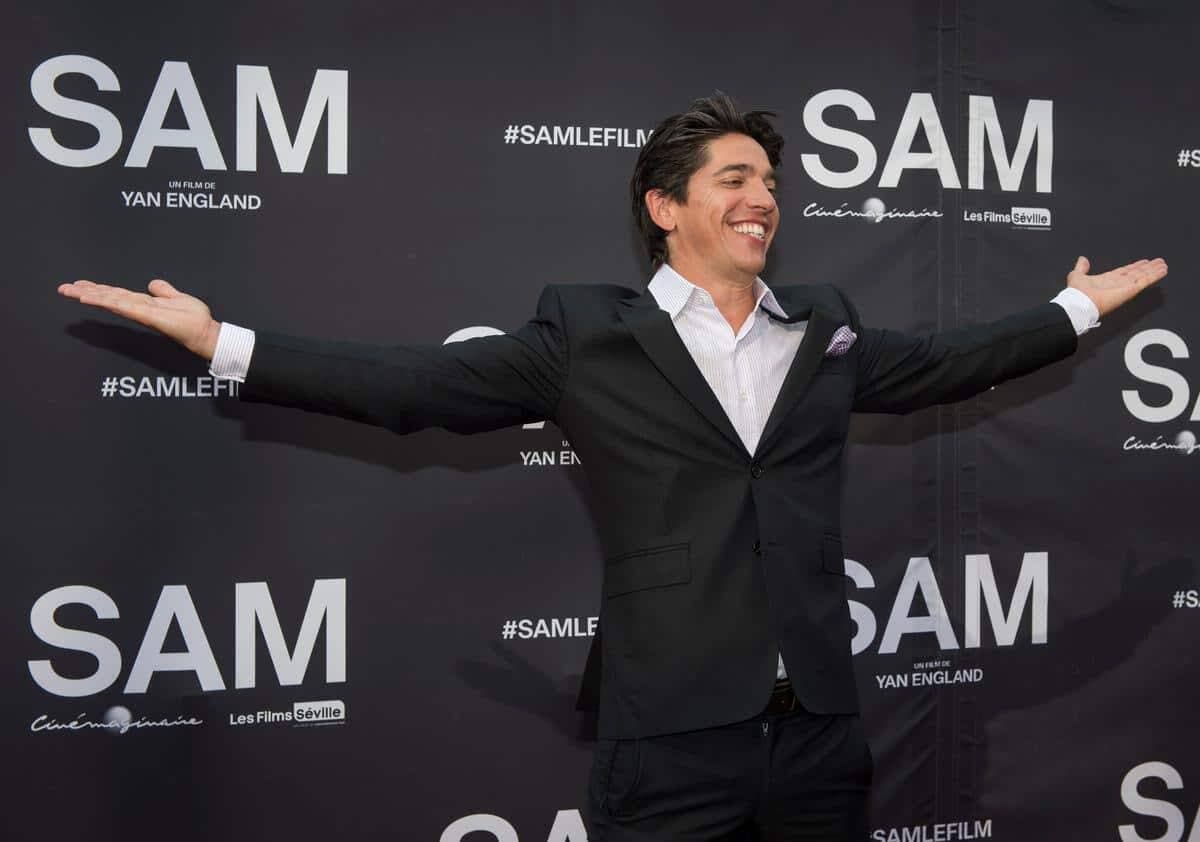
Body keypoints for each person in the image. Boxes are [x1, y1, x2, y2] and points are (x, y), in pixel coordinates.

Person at [58, 94, 1166, 841]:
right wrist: (225, 341)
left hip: (821, 735)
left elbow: (945, 363)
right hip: (672, 737)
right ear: (665, 207)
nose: (763, 197)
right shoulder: (589, 335)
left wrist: (1072, 310)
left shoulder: (822, 325)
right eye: (734, 177)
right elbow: (412, 388)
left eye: (770, 181)